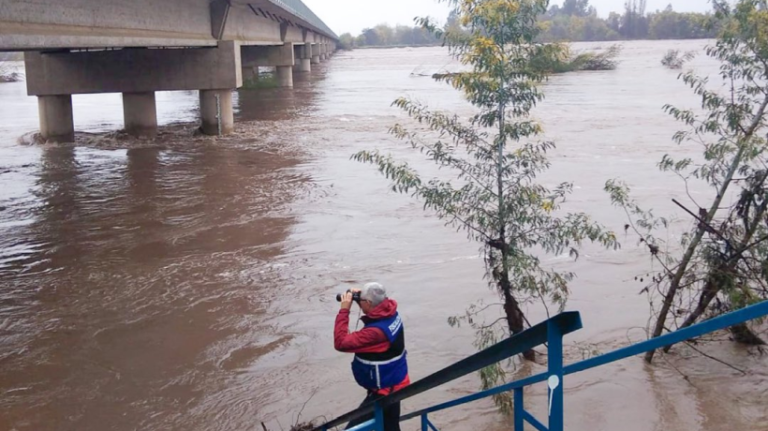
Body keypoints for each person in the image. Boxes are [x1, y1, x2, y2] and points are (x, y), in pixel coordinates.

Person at [334, 282, 410, 431]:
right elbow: (374, 306)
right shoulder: (391, 312)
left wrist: (344, 310)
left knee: (353, 429)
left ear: (368, 303)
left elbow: (340, 343)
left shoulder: (375, 333)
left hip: (385, 392)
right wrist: (358, 298)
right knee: (390, 425)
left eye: (363, 301)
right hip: (395, 382)